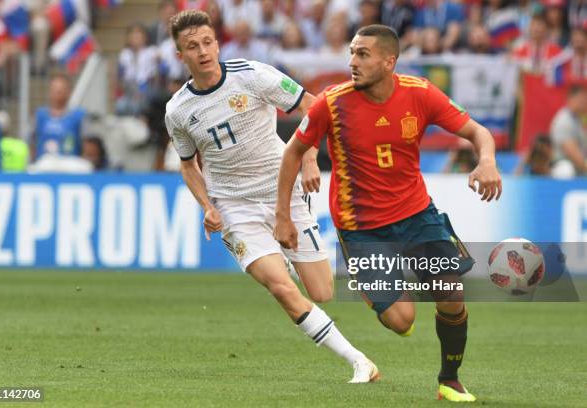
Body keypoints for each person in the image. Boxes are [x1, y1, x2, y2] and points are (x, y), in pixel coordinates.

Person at [275, 25, 503, 402]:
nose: (352, 62)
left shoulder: (421, 93)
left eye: (362, 54)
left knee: (451, 293)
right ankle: (378, 285)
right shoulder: (332, 102)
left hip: (417, 215)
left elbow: (478, 132)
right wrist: (283, 215)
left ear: (388, 61)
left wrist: (488, 161)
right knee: (402, 321)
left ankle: (450, 380)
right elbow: (292, 153)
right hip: (363, 228)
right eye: (351, 52)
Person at [164, 10, 378, 383]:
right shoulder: (178, 110)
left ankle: (290, 258)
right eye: (192, 47)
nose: (202, 52)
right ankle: (359, 361)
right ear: (180, 55)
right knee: (280, 287)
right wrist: (208, 206)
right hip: (233, 205)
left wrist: (310, 157)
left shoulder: (252, 75)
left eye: (207, 42)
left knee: (322, 291)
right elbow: (187, 166)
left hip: (284, 189)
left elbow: (313, 107)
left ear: (217, 42)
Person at [32, 74, 86, 159]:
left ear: (68, 92)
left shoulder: (78, 116)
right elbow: (31, 141)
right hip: (44, 165)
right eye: (55, 89)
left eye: (61, 89)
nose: (58, 92)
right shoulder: (40, 115)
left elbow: (86, 143)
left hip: (70, 164)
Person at [550, 84, 587, 177]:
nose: (585, 103)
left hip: (579, 167)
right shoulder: (564, 121)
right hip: (562, 165)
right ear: (571, 99)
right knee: (566, 170)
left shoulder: (577, 119)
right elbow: (574, 156)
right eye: (581, 100)